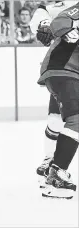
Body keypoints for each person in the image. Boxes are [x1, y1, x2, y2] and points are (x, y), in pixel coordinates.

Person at [32, 1, 79, 199]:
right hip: (62, 67)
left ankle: (54, 169)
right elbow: (60, 19)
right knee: (75, 119)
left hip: (71, 71)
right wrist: (61, 29)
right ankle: (55, 175)